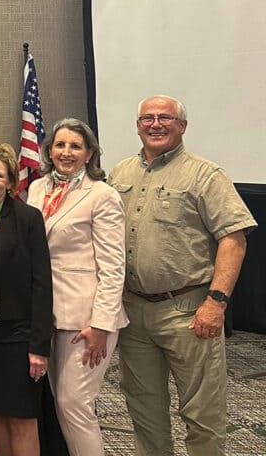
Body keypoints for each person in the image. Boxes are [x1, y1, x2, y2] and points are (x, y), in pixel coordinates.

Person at [108, 95, 256, 455]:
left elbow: (233, 240)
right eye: (147, 118)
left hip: (189, 311)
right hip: (133, 312)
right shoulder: (119, 173)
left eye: (165, 118)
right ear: (138, 125)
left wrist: (216, 302)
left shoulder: (205, 174)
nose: (155, 124)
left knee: (202, 413)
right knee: (143, 410)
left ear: (182, 126)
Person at [26, 118, 127, 456]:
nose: (66, 152)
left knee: (75, 405)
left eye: (75, 146)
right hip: (46, 314)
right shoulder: (38, 188)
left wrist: (102, 324)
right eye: (60, 145)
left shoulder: (102, 195)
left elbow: (114, 267)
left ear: (89, 154)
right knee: (61, 404)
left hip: (86, 319)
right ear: (49, 150)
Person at [0, 142, 53, 456]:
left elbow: (42, 284)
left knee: (21, 417)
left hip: (17, 336)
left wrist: (39, 347)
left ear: (11, 181)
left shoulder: (27, 218)